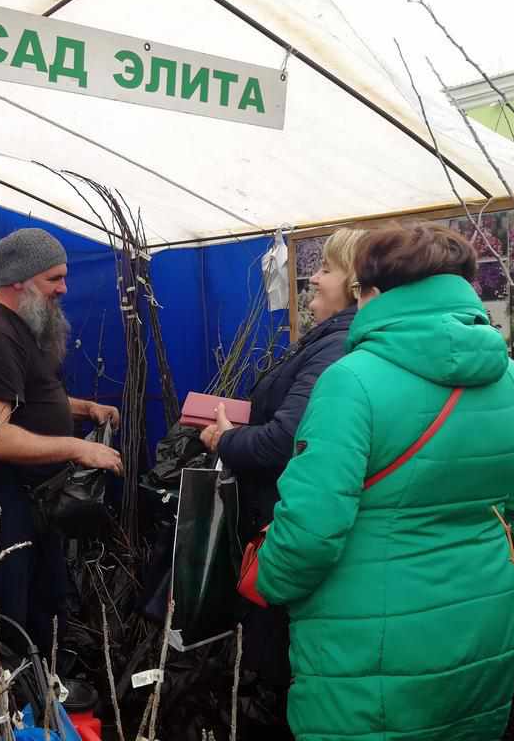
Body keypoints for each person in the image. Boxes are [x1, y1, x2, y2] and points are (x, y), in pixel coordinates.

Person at [255, 223, 514, 740]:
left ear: (374, 292)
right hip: (480, 628)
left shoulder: (351, 380)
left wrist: (266, 582)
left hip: (369, 642)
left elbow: (311, 532)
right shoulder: (513, 380)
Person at [198, 227, 366, 732]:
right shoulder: (330, 343)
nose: (313, 277)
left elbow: (283, 441)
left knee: (278, 665)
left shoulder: (337, 351)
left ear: (357, 285)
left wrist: (227, 439)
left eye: (327, 269)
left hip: (284, 528)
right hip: (283, 526)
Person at [0, 227, 122, 657]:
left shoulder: (23, 326)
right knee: (13, 619)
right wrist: (78, 447)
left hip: (36, 505)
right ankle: (13, 710)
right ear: (19, 280)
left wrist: (85, 410)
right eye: (54, 279)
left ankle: (44, 701)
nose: (64, 289)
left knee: (45, 610)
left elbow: (31, 396)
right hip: (6, 510)